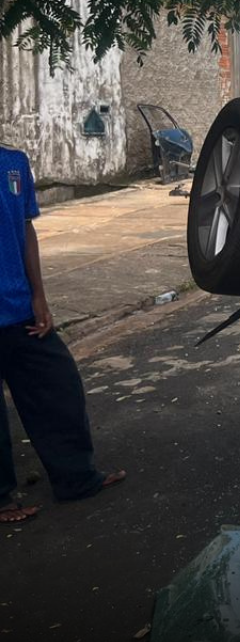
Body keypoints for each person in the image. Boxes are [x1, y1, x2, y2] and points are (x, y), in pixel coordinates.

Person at [1, 145, 125, 524]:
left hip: (19, 308)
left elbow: (25, 228)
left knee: (59, 385)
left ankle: (76, 478)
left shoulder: (13, 163)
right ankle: (2, 499)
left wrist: (39, 295)